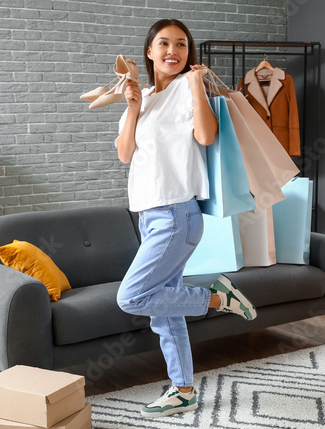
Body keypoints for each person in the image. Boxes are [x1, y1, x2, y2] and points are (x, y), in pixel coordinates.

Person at [114, 19, 257, 419]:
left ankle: (219, 298)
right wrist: (133, 108)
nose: (172, 50)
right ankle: (183, 390)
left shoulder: (185, 88)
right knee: (164, 312)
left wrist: (196, 85)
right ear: (149, 50)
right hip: (149, 215)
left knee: (132, 296)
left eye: (181, 44)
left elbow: (207, 136)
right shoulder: (141, 96)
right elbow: (125, 154)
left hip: (178, 213)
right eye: (164, 43)